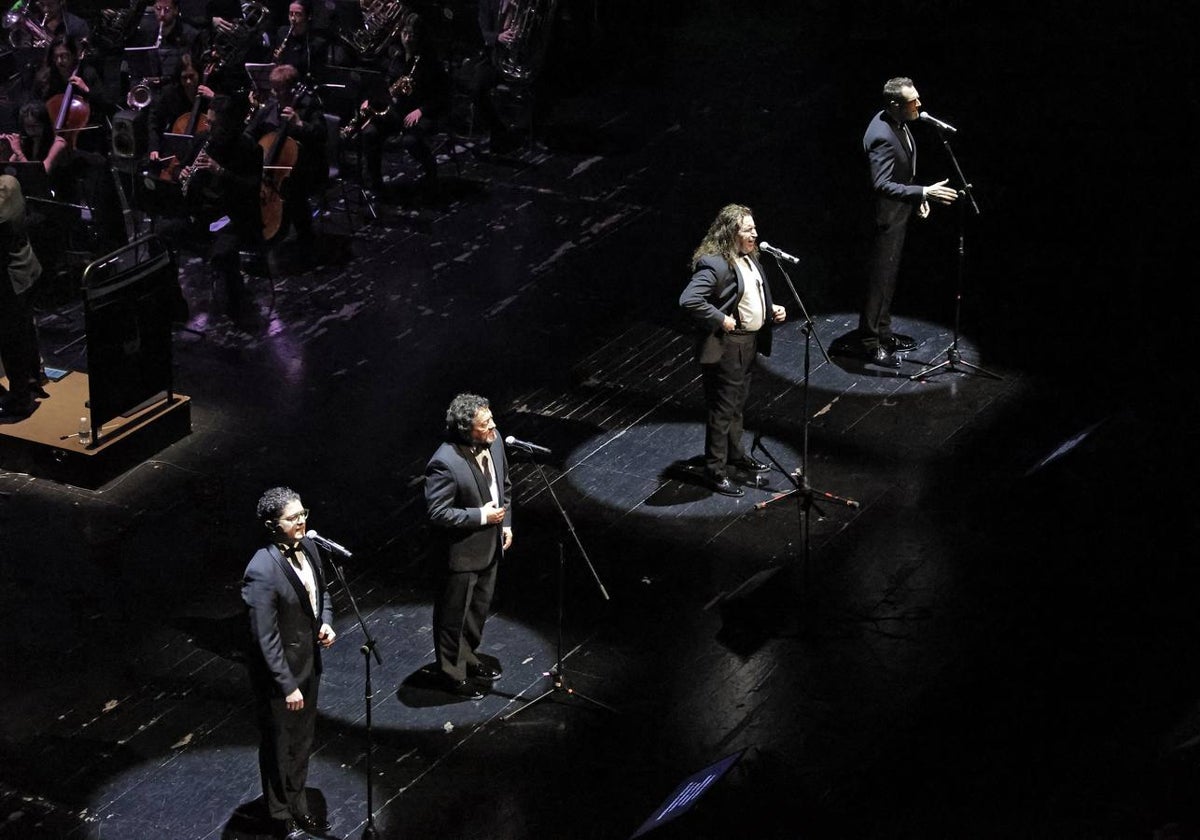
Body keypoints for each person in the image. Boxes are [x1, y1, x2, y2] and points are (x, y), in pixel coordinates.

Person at [242, 486, 337, 840]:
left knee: (302, 740)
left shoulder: (310, 546)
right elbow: (263, 639)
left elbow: (322, 594)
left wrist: (325, 621)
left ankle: (298, 803)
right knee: (280, 744)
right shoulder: (262, 570)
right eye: (292, 518)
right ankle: (279, 812)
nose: (301, 522)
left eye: (303, 514)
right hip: (281, 676)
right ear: (272, 525)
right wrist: (287, 685)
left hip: (309, 663)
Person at [679, 204, 786, 498]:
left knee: (737, 404)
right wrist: (720, 318)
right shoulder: (715, 264)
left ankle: (736, 454)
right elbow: (689, 300)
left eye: (754, 227)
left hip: (749, 343)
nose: (755, 233)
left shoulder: (751, 259)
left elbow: (753, 294)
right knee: (722, 410)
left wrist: (771, 309)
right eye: (747, 229)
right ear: (731, 233)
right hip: (728, 346)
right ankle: (714, 471)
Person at [853, 76, 958, 369]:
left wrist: (916, 199)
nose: (920, 105)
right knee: (879, 281)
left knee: (888, 278)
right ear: (895, 105)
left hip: (898, 214)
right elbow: (881, 184)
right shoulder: (881, 136)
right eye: (914, 101)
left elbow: (902, 174)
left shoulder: (898, 123)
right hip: (883, 220)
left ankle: (883, 333)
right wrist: (924, 192)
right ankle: (870, 342)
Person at [424, 393, 513, 699]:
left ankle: (468, 656)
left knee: (477, 610)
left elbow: (505, 486)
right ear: (466, 430)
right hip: (461, 553)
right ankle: (451, 672)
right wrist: (481, 516)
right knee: (453, 616)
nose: (494, 426)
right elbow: (437, 512)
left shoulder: (495, 439)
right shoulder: (444, 463)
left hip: (490, 546)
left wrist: (507, 523)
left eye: (491, 419)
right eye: (485, 424)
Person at [179, 93, 264, 318]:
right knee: (162, 233)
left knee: (223, 252)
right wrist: (184, 172)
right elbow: (182, 168)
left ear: (229, 124)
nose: (208, 127)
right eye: (208, 121)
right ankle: (174, 303)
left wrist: (220, 171)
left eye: (213, 124)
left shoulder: (248, 148)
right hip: (202, 213)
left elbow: (251, 189)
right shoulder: (202, 139)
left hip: (235, 217)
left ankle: (237, 303)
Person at [353, 11, 448, 198]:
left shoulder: (429, 62)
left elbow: (442, 95)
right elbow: (384, 84)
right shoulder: (396, 57)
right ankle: (375, 183)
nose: (407, 38)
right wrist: (371, 101)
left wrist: (421, 110)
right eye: (405, 33)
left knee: (410, 140)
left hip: (421, 112)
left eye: (412, 34)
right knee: (370, 132)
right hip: (397, 110)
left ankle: (430, 171)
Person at [245, 62, 325, 250]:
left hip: (307, 167)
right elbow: (249, 132)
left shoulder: (309, 105)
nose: (273, 94)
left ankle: (305, 237)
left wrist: (300, 125)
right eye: (272, 89)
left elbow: (322, 134)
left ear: (291, 89)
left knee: (293, 191)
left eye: (278, 90)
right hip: (273, 168)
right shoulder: (271, 106)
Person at [0, 175, 44, 420]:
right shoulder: (9, 182)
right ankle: (32, 380)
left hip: (12, 278)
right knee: (24, 331)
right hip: (22, 273)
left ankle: (21, 399)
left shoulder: (6, 185)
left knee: (12, 340)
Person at [270, 0, 326, 82]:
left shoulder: (316, 42)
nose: (293, 18)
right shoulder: (282, 33)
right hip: (282, 82)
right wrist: (278, 60)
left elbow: (314, 72)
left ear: (308, 16)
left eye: (298, 14)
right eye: (291, 14)